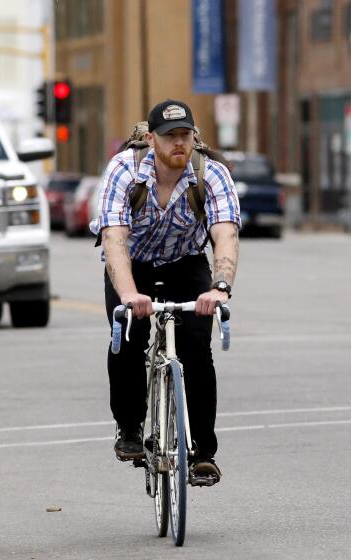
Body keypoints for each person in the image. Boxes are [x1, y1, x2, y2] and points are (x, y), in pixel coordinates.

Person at [93, 99, 241, 484]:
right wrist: (128, 295)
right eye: (169, 136)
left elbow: (224, 233)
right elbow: (114, 239)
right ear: (151, 140)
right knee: (128, 334)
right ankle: (129, 427)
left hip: (185, 261)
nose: (179, 143)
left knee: (196, 347)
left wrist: (220, 288)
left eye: (185, 135)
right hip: (133, 264)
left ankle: (203, 454)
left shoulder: (212, 173)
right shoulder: (124, 170)